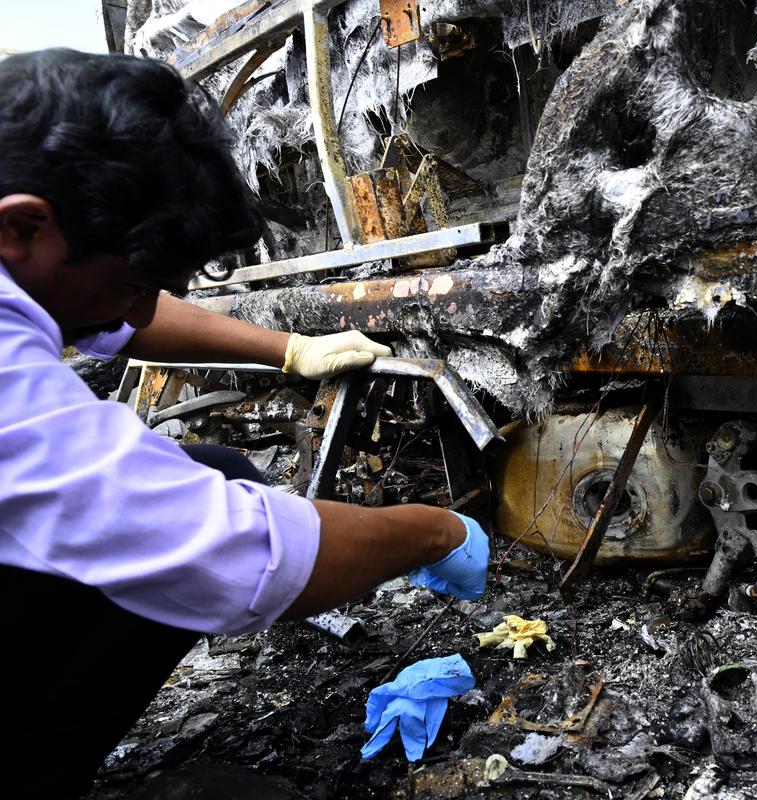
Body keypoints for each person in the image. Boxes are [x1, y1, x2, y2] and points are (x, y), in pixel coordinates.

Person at [0, 49, 489, 798]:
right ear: (24, 227)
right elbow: (236, 554)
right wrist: (437, 531)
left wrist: (290, 348)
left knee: (217, 468)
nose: (136, 311)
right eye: (134, 282)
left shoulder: (24, 254)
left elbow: (120, 321)